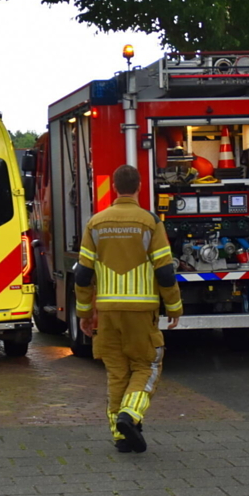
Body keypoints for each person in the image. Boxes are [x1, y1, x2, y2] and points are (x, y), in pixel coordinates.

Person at [75, 165, 183, 453]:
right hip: (141, 312)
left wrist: (85, 314)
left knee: (116, 372)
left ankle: (121, 437)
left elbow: (83, 274)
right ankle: (130, 417)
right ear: (139, 187)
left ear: (113, 187)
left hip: (107, 313)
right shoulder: (149, 222)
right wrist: (174, 307)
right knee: (147, 365)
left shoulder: (95, 223)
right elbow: (164, 271)